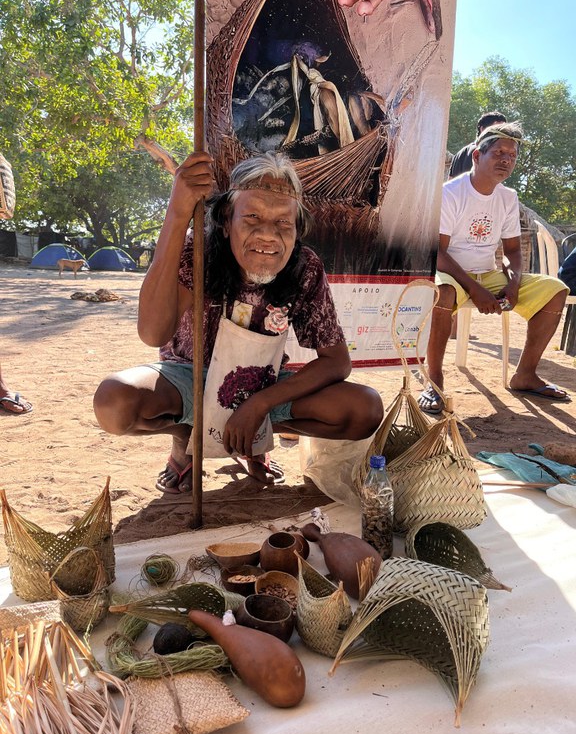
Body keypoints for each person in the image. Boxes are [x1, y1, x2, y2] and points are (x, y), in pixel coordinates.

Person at [93, 151, 383, 491]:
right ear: (227, 218)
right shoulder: (198, 252)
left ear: (297, 227)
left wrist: (259, 405)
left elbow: (336, 362)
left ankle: (254, 439)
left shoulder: (305, 266)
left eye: (282, 223)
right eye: (252, 217)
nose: (268, 235)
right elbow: (152, 332)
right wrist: (177, 214)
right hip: (189, 377)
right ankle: (184, 436)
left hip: (265, 381)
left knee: (364, 409)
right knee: (115, 402)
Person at [418, 121, 570, 415]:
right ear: (477, 156)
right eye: (498, 152)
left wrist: (512, 285)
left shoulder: (508, 197)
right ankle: (434, 381)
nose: (506, 160)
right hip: (451, 272)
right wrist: (475, 289)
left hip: (488, 273)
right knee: (444, 292)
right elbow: (439, 252)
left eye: (511, 155)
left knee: (555, 290)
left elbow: (512, 251)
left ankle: (525, 374)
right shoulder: (451, 193)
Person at [449, 111, 507, 179]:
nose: (501, 135)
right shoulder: (484, 152)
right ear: (483, 129)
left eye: (504, 131)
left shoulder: (459, 154)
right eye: (497, 130)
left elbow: (449, 182)